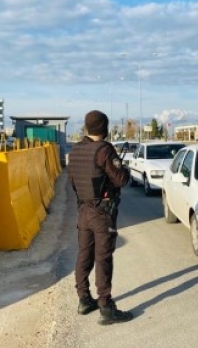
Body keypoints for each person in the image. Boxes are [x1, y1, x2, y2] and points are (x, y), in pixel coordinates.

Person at [67, 110, 133, 325]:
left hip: (83, 210)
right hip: (102, 213)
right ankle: (106, 306)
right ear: (104, 128)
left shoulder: (75, 150)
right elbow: (121, 179)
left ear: (87, 127)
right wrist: (125, 170)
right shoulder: (105, 150)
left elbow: (73, 181)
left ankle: (84, 299)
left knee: (84, 254)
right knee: (103, 257)